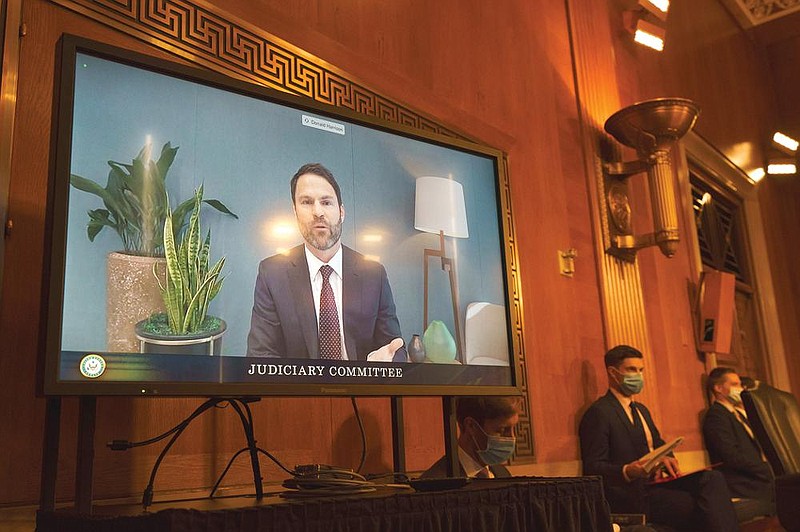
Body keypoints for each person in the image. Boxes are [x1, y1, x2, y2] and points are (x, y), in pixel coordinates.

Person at [246, 163, 406, 361]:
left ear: (341, 212)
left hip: (363, 389)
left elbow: (395, 348)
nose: (318, 212)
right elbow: (260, 356)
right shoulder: (271, 273)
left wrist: (387, 364)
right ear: (295, 212)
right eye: (306, 202)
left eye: (326, 202)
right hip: (297, 390)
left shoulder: (374, 274)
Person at [579, 345, 739, 532]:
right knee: (695, 505)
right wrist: (627, 471)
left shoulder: (642, 411)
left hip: (656, 485)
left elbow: (659, 444)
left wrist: (667, 458)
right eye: (631, 370)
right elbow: (593, 467)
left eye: (640, 370)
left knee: (713, 478)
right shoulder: (599, 412)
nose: (638, 376)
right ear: (613, 373)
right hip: (631, 494)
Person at [702, 367, 774, 507]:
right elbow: (731, 456)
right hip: (742, 483)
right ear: (718, 388)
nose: (740, 388)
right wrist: (766, 469)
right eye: (734, 384)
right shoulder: (716, 416)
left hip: (757, 478)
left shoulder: (737, 414)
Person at [421, 396, 520, 478]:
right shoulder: (436, 483)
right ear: (471, 426)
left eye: (513, 429)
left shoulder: (502, 474)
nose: (512, 437)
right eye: (502, 430)